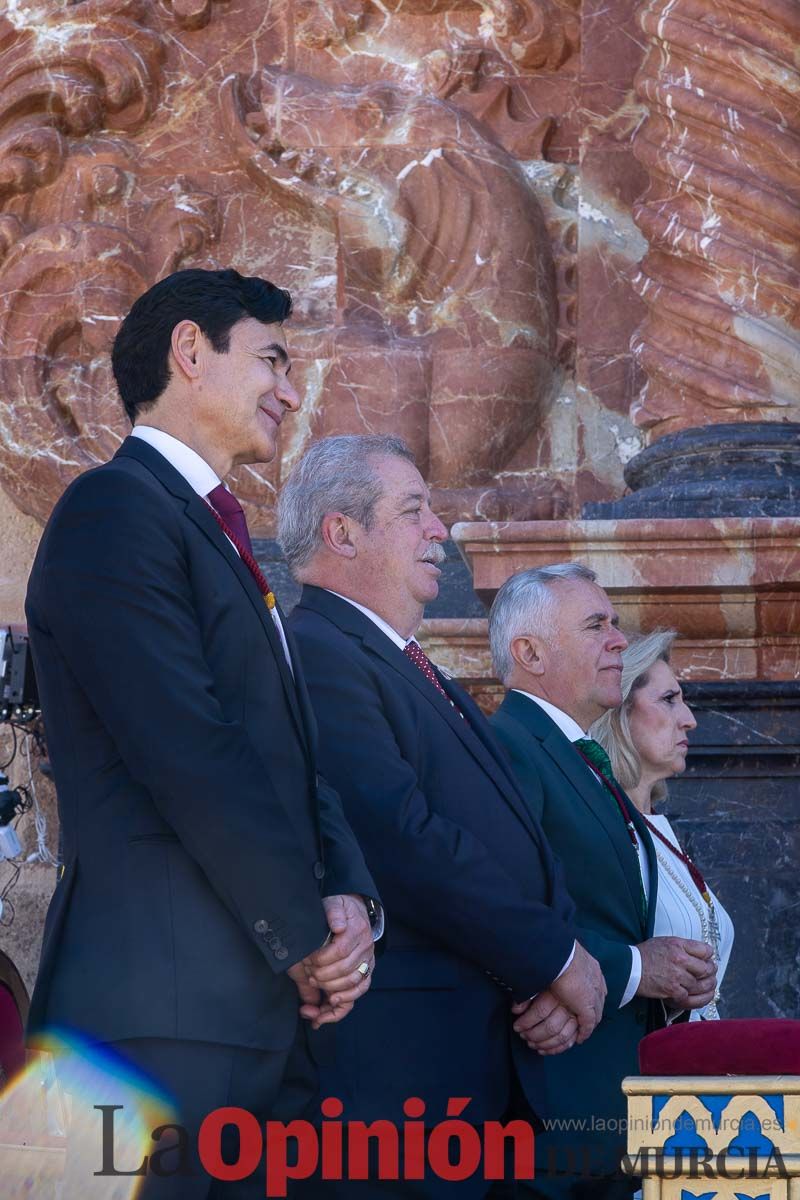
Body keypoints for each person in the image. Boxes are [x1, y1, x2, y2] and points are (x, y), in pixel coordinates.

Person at [24, 268, 379, 1198]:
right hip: (161, 1018)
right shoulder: (113, 511)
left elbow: (292, 756)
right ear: (190, 352)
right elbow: (189, 750)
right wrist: (305, 934)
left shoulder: (218, 533)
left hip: (258, 1012)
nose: (290, 391)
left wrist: (348, 898)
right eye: (271, 359)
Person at [279, 434, 607, 1199]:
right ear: (343, 532)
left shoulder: (414, 665)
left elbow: (525, 836)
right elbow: (400, 837)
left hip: (484, 1071)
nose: (441, 531)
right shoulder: (320, 650)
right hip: (398, 1096)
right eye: (414, 510)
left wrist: (549, 977)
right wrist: (556, 960)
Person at [488, 564, 718, 1198]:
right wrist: (626, 970)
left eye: (616, 624)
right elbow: (501, 900)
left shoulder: (576, 758)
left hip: (614, 1102)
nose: (618, 639)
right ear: (529, 652)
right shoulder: (508, 745)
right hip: (554, 1104)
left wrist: (668, 982)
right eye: (596, 625)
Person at [590, 629, 734, 1020]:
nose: (689, 721)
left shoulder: (657, 828)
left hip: (702, 1067)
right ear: (618, 709)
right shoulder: (598, 823)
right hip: (643, 1073)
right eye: (669, 700)